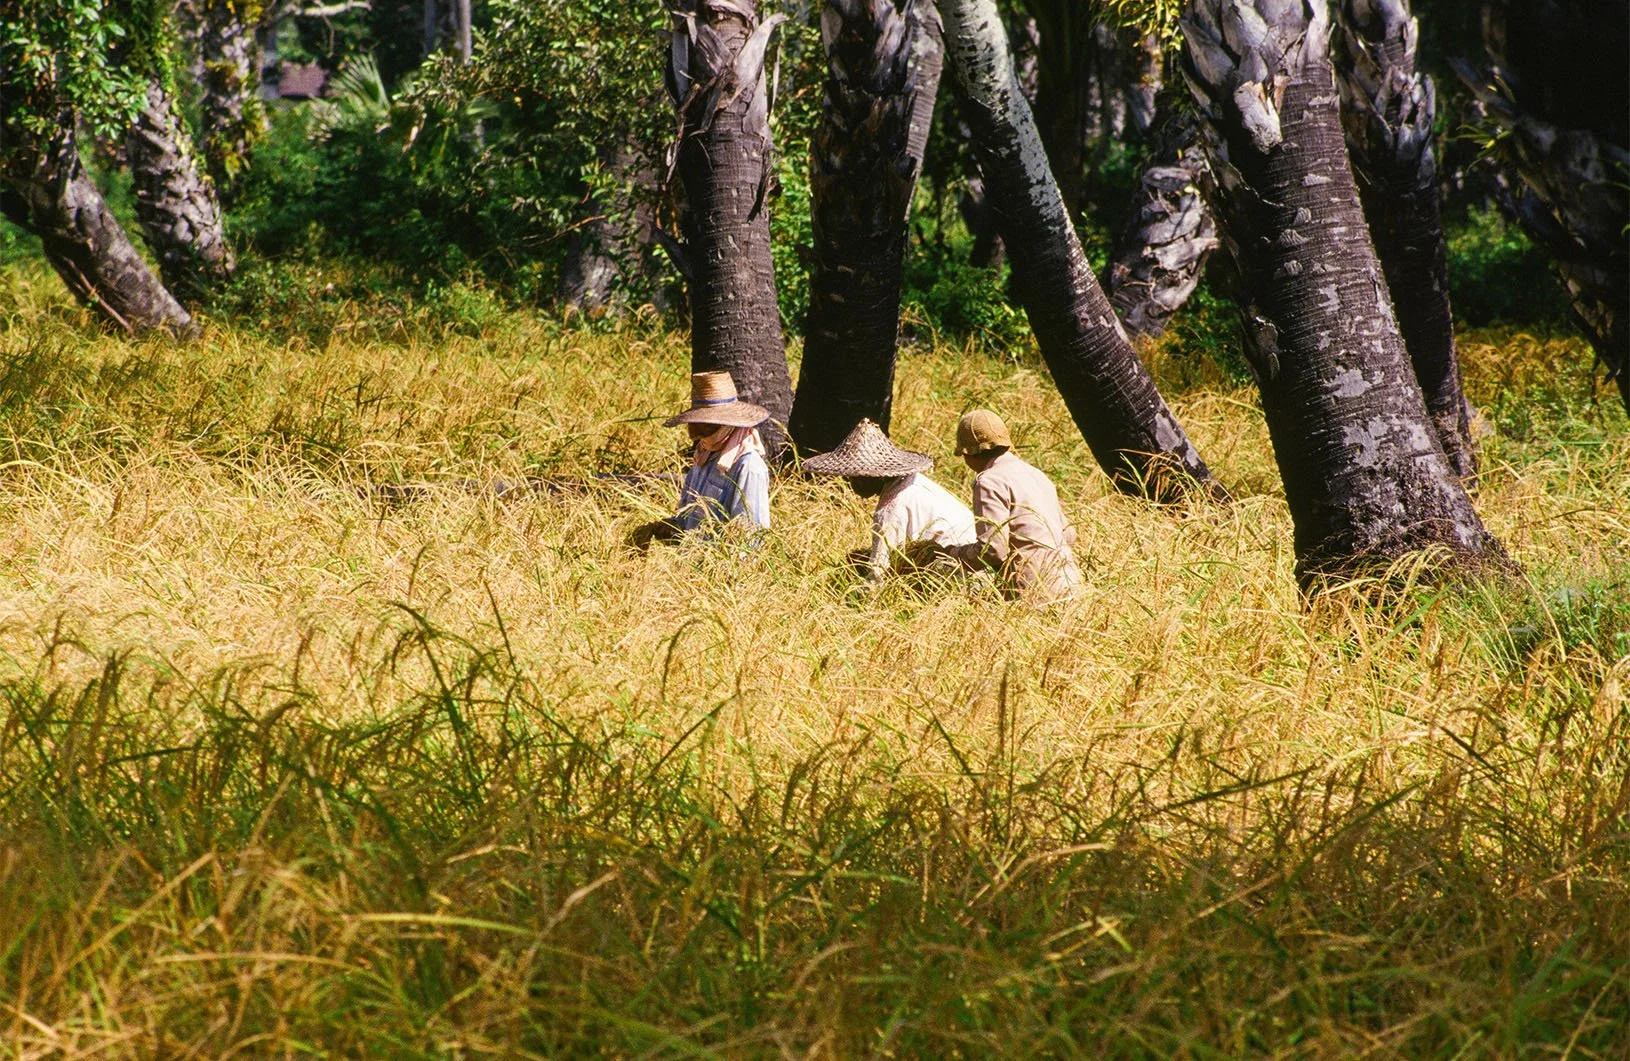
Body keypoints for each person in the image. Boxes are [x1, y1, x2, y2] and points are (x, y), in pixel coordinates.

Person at [804, 419, 978, 582]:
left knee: (858, 565)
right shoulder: (913, 481)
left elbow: (878, 572)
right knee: (858, 558)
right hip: (971, 559)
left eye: (860, 477)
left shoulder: (891, 507)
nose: (853, 483)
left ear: (877, 476)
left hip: (962, 571)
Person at [948, 409, 1085, 603]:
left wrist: (956, 554)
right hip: (1071, 586)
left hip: (1033, 596)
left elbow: (993, 549)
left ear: (970, 454)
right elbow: (1069, 534)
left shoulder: (989, 481)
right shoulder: (1036, 474)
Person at [662, 370, 772, 535]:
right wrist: (668, 528)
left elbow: (752, 535)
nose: (699, 436)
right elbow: (687, 520)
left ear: (729, 424)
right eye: (696, 426)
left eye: (707, 427)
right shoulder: (703, 457)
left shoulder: (748, 467)